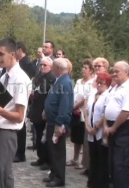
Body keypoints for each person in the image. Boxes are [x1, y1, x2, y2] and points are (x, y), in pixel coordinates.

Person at [0, 37, 31, 188]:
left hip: (7, 133)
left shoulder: (20, 79)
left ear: (12, 54)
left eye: (1, 54)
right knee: (1, 174)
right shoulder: (5, 76)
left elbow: (19, 117)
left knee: (0, 176)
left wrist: (0, 111)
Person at [104, 61, 129, 188]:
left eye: (117, 71)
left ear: (126, 72)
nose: (114, 74)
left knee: (121, 165)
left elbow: (127, 110)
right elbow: (107, 106)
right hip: (113, 126)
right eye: (113, 71)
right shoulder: (115, 87)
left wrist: (113, 127)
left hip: (125, 127)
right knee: (113, 164)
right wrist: (106, 124)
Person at [43, 58, 73, 187]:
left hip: (57, 122)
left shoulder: (65, 82)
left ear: (58, 69)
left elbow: (65, 105)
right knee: (52, 149)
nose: (52, 69)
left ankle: (59, 177)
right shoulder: (59, 80)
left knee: (58, 151)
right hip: (51, 120)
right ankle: (54, 173)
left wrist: (60, 123)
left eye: (54, 67)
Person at [85, 72, 111, 188]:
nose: (99, 84)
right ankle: (91, 182)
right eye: (98, 82)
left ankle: (101, 184)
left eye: (102, 83)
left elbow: (105, 114)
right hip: (90, 130)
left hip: (99, 132)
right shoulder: (93, 94)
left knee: (101, 160)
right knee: (93, 158)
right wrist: (87, 125)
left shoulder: (108, 96)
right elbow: (86, 110)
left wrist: (96, 127)